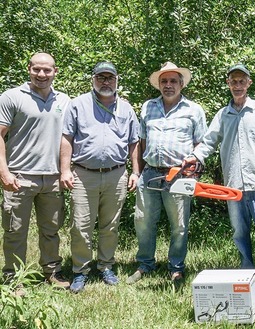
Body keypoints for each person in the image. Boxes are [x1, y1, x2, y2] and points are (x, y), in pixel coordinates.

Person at [184, 63, 255, 303]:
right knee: (239, 234)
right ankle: (248, 278)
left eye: (242, 81)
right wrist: (195, 156)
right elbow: (209, 142)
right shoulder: (223, 115)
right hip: (233, 187)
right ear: (228, 84)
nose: (238, 85)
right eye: (234, 81)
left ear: (249, 83)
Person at [60, 62, 140, 293]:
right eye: (101, 77)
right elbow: (67, 138)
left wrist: (135, 172)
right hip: (84, 175)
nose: (106, 81)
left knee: (110, 225)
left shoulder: (126, 108)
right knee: (81, 225)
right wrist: (65, 170)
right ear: (93, 79)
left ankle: (105, 266)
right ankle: (80, 270)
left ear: (117, 80)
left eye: (110, 77)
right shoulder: (78, 105)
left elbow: (134, 141)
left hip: (116, 175)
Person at [127, 62, 207, 285]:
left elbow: (202, 143)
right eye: (164, 81)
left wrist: (194, 171)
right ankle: (145, 264)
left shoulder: (194, 110)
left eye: (173, 81)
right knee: (143, 221)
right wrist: (138, 172)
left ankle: (176, 268)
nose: (168, 85)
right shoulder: (148, 107)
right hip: (150, 173)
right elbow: (140, 142)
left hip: (180, 176)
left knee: (179, 225)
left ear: (181, 84)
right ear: (159, 84)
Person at [0, 52, 70, 289]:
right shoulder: (11, 97)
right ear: (28, 68)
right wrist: (4, 172)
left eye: (47, 70)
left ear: (55, 72)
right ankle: (13, 280)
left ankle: (52, 272)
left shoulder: (64, 100)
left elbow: (66, 139)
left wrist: (64, 170)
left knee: (51, 230)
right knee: (15, 232)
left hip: (52, 179)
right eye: (37, 69)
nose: (42, 74)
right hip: (19, 177)